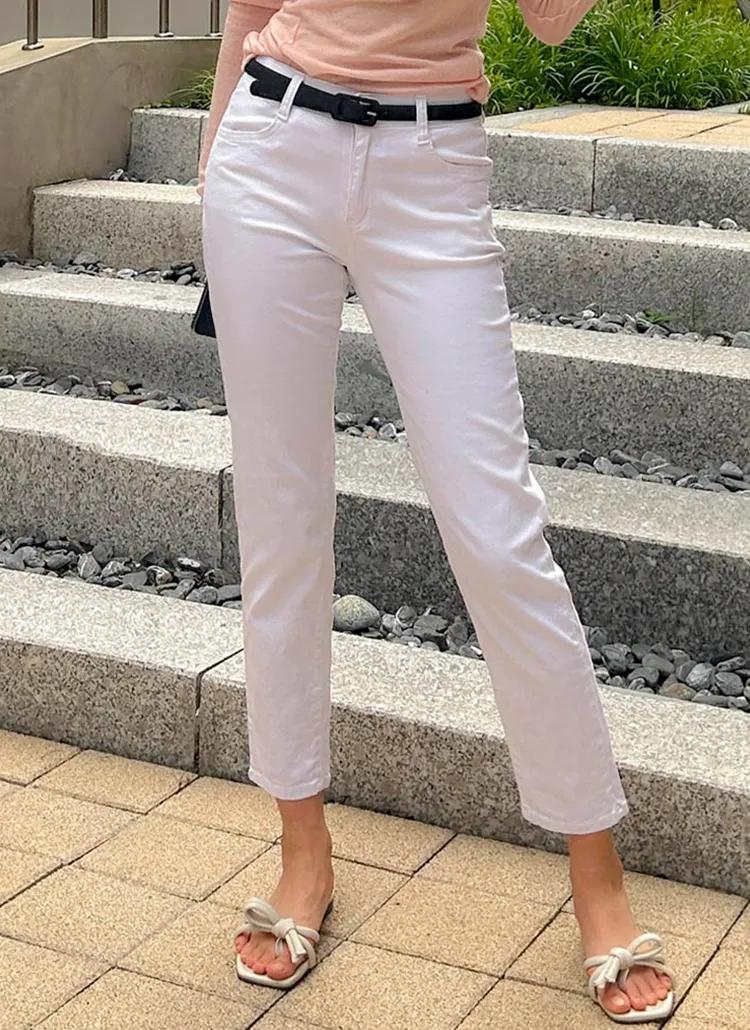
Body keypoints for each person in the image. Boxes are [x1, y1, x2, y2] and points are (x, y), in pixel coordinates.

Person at [198, 1, 674, 1021]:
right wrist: (211, 181)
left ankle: (598, 874)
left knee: (498, 532)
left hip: (432, 160)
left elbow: (552, 23)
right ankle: (302, 852)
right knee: (280, 521)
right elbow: (249, 12)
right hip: (268, 147)